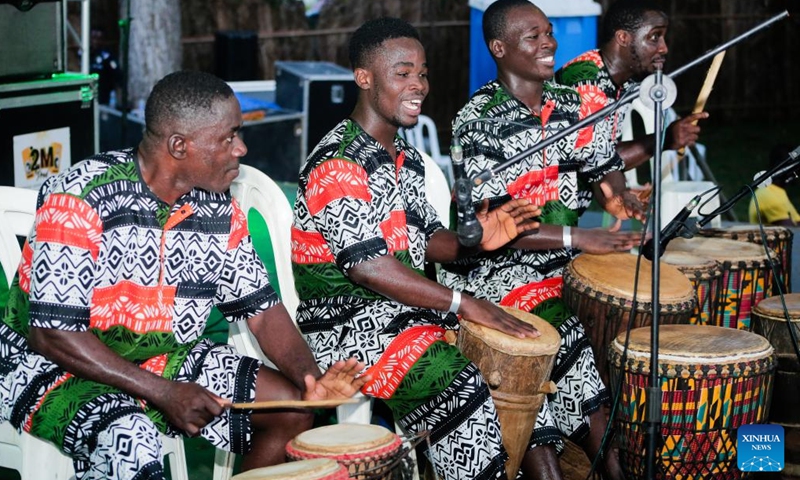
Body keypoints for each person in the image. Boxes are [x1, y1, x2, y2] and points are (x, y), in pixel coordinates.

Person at [0, 70, 367, 479]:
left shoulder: (218, 209)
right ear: (179, 145)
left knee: (291, 410)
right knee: (131, 439)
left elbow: (263, 311)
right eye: (229, 137)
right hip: (51, 363)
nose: (241, 148)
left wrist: (310, 378)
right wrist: (163, 392)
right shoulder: (81, 196)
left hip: (158, 358)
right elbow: (53, 333)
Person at [291, 17, 544, 480]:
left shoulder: (401, 156)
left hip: (399, 313)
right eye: (403, 73)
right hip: (345, 327)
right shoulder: (339, 164)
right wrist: (464, 303)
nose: (419, 85)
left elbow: (427, 240)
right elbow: (369, 268)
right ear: (364, 78)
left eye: (423, 73)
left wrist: (477, 241)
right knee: (458, 382)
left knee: (505, 364)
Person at [441, 1, 643, 479]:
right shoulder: (478, 120)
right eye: (532, 36)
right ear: (499, 47)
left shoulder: (572, 105)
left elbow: (602, 164)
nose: (548, 43)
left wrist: (618, 199)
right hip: (492, 272)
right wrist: (578, 236)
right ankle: (578, 461)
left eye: (549, 33)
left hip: (559, 264)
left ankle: (609, 458)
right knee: (566, 337)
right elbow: (498, 233)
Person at [555, 0, 708, 176]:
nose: (664, 48)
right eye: (654, 37)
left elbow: (605, 154)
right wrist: (664, 139)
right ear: (623, 38)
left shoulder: (623, 82)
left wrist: (622, 192)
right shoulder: (587, 81)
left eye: (663, 37)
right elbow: (594, 163)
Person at [749, 143, 799, 226]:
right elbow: (792, 231)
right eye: (794, 165)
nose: (797, 169)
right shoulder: (767, 194)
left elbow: (797, 222)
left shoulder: (779, 192)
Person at [88, 26, 121, 106]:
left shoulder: (107, 55)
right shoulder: (86, 54)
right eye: (93, 38)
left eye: (98, 38)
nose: (95, 41)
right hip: (88, 92)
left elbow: (118, 74)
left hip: (104, 93)